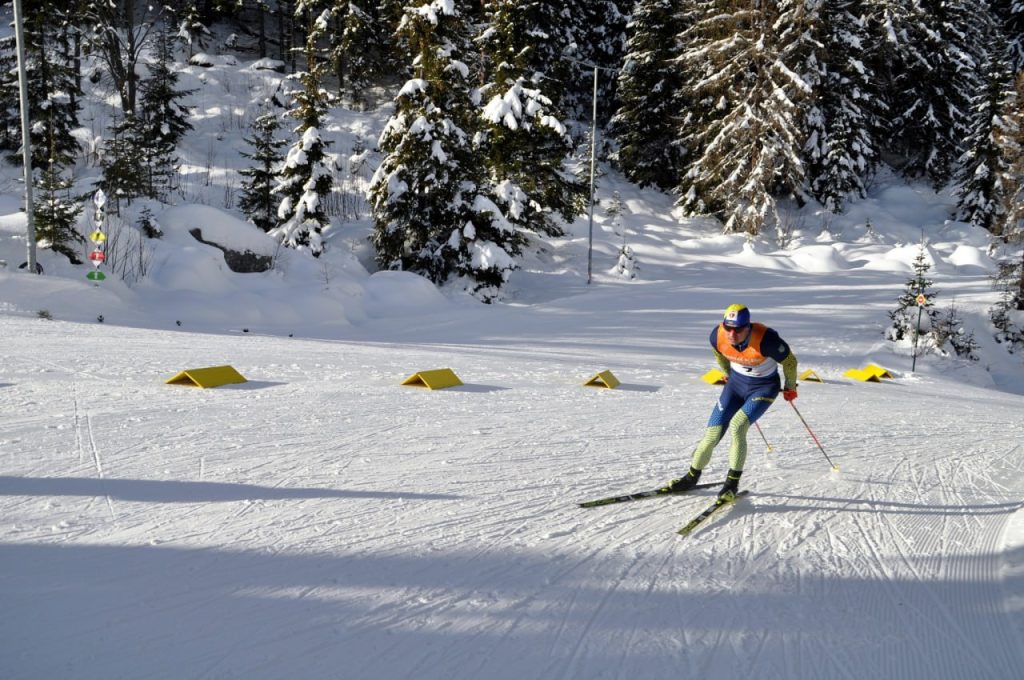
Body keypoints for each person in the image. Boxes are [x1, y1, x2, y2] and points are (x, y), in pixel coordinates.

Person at [666, 304, 798, 500]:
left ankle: (731, 484)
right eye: (728, 328)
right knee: (712, 434)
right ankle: (690, 478)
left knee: (737, 426)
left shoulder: (767, 340)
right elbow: (719, 353)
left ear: (748, 327)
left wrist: (790, 387)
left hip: (763, 387)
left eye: (737, 329)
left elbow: (790, 362)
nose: (731, 334)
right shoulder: (717, 335)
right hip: (736, 385)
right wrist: (727, 373)